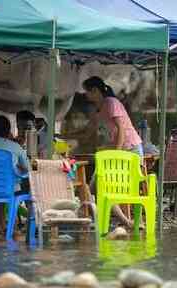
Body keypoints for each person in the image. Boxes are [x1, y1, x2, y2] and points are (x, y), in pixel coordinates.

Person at [69, 76, 143, 229]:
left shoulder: (111, 103)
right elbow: (87, 133)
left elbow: (121, 128)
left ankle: (124, 221)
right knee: (94, 186)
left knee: (105, 185)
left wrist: (116, 153)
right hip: (119, 151)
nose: (85, 96)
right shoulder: (99, 109)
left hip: (130, 150)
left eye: (87, 92)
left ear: (95, 90)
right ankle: (105, 219)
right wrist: (62, 136)